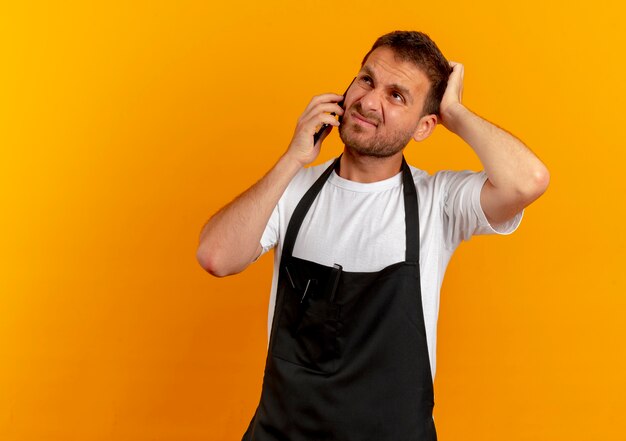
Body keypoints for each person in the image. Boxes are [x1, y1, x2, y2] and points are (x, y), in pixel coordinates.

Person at [197, 30, 549, 441]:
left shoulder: (439, 203)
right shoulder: (292, 190)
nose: (368, 102)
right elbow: (215, 257)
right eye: (366, 80)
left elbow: (529, 181)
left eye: (397, 96)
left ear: (424, 127)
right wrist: (291, 159)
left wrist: (454, 111)